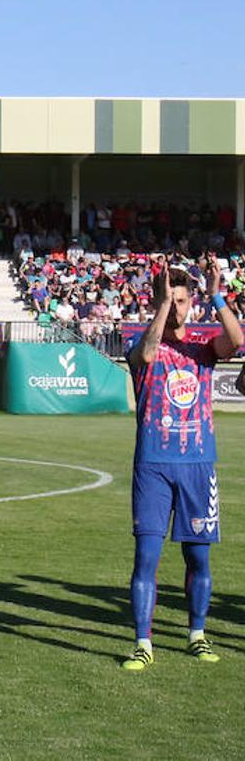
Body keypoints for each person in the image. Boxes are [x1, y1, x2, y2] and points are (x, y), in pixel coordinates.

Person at [121, 260, 242, 670]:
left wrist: (216, 294)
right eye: (171, 300)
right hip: (153, 465)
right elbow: (150, 351)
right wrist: (160, 303)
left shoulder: (203, 350)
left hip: (197, 466)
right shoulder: (140, 346)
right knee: (147, 557)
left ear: (193, 304)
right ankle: (143, 642)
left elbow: (237, 340)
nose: (176, 308)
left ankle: (197, 634)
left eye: (182, 300)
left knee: (199, 558)